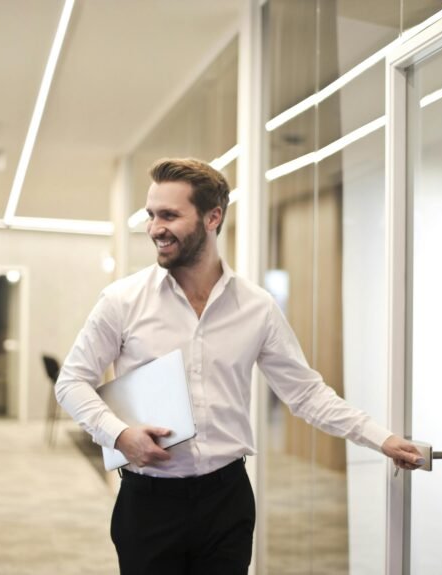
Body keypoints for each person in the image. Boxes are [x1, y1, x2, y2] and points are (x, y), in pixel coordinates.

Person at [55, 157, 423, 574]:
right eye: (152, 214)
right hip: (148, 504)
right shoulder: (122, 301)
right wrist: (119, 435)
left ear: (213, 217)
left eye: (170, 215)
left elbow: (305, 393)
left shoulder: (256, 307)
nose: (155, 227)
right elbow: (72, 381)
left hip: (226, 501)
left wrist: (380, 438)